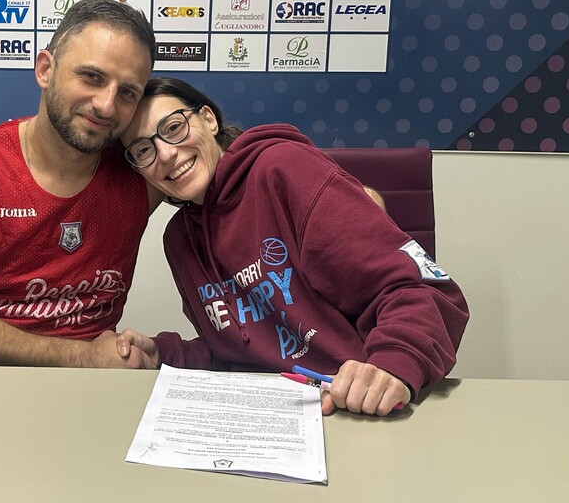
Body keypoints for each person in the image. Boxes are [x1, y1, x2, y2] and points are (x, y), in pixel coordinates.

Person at [116, 77, 470, 416]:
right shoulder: (179, 240)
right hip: (269, 415)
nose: (165, 153)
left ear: (208, 119)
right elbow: (237, 351)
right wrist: (163, 354)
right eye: (144, 150)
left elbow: (424, 292)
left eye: (173, 128)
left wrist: (392, 364)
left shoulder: (283, 169)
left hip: (352, 409)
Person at [0, 0, 164, 367]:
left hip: (85, 384)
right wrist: (82, 357)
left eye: (127, 93)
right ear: (45, 70)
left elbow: (220, 169)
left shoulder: (144, 172)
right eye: (91, 77)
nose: (106, 105)